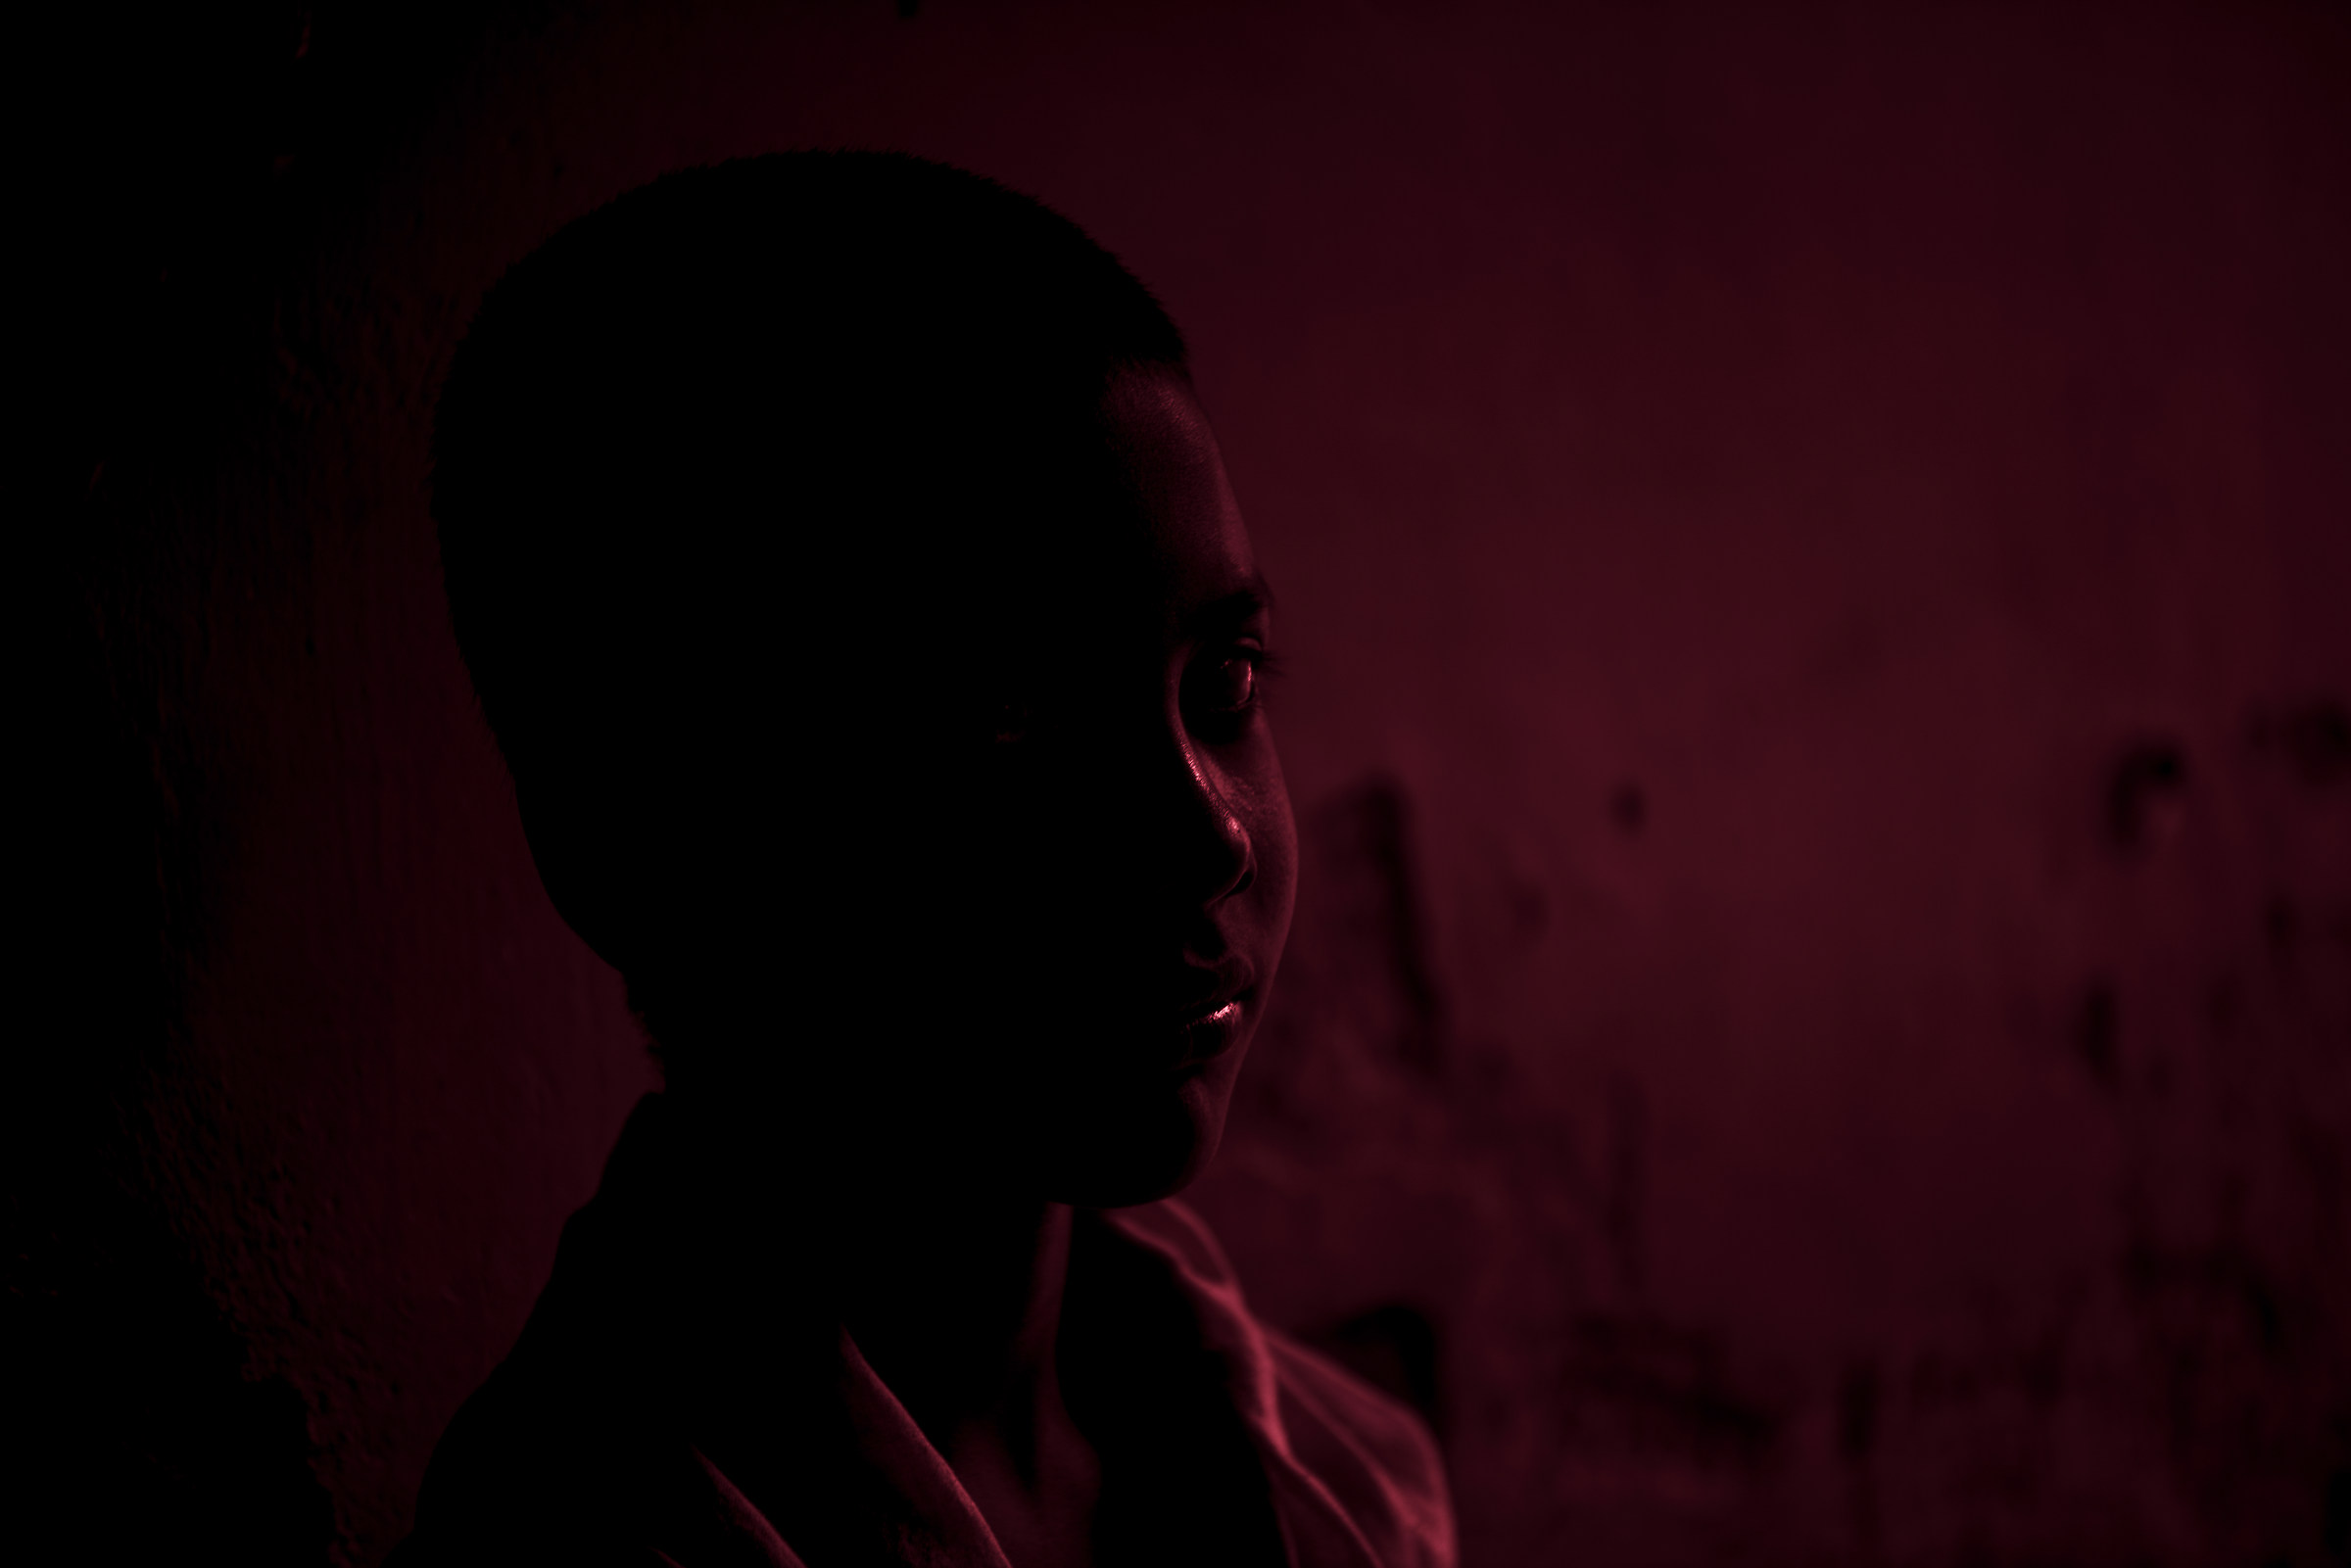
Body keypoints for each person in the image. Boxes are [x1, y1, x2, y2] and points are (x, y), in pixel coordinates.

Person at [397, 151, 1455, 1568]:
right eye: (1010, 728)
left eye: (1224, 687)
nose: (1206, 833)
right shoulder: (587, 1529)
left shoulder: (1349, 1479)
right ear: (627, 840)